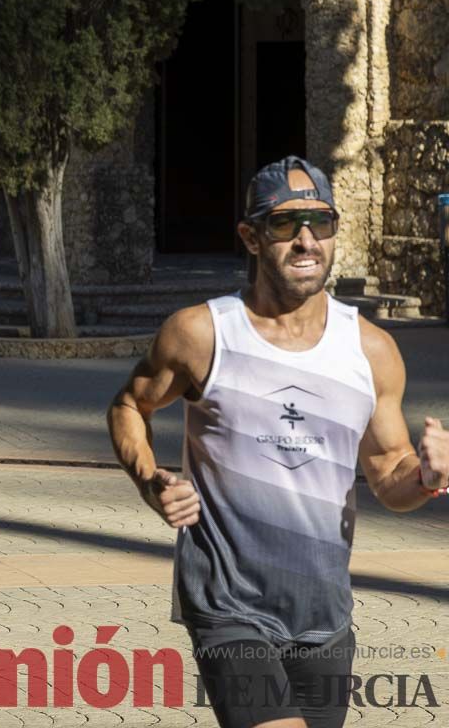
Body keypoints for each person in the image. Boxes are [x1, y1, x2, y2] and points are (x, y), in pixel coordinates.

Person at [107, 156, 449, 728]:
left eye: (321, 222)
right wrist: (151, 480)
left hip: (324, 612)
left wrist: (427, 479)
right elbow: (128, 406)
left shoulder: (372, 350)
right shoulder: (201, 332)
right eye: (285, 224)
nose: (306, 240)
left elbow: (391, 474)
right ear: (250, 235)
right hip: (228, 602)